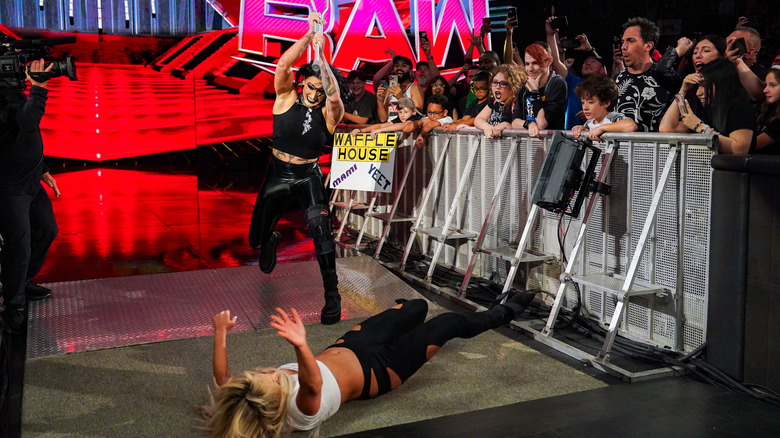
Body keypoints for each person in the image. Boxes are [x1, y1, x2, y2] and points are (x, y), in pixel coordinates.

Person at [201, 291, 536, 437]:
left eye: (263, 373)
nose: (271, 372)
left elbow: (223, 380)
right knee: (446, 325)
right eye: (272, 379)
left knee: (416, 307)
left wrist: (220, 334)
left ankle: (408, 314)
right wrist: (301, 345)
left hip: (352, 345)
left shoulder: (252, 394)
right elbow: (313, 382)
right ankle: (502, 313)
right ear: (274, 403)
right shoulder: (300, 413)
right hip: (382, 370)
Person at [248, 13, 347, 325]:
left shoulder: (331, 111)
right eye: (311, 86)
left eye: (319, 89)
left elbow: (333, 96)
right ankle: (269, 241)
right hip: (278, 173)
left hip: (308, 176)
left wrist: (321, 55)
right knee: (254, 239)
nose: (314, 94)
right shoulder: (285, 96)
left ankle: (332, 296)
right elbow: (281, 67)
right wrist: (307, 36)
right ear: (303, 82)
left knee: (321, 233)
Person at [0, 59, 59, 334]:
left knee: (47, 230)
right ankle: (14, 305)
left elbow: (22, 135)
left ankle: (21, 281)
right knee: (18, 246)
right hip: (9, 185)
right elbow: (27, 120)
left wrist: (43, 169)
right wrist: (39, 88)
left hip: (30, 178)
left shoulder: (11, 88)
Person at [659, 58, 754, 154]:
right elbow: (667, 128)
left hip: (732, 168)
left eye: (704, 85)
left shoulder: (740, 107)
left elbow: (740, 149)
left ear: (721, 84)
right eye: (698, 86)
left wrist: (699, 126)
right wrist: (682, 91)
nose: (698, 93)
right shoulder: (704, 108)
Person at [613, 17, 674, 132]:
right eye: (623, 41)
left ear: (648, 46)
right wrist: (585, 127)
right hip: (617, 150)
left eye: (630, 41)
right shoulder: (614, 81)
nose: (623, 47)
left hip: (655, 149)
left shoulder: (668, 81)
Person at [510, 43, 568, 138]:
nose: (530, 69)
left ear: (549, 62)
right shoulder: (525, 85)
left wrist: (534, 93)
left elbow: (542, 123)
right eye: (527, 64)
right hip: (528, 144)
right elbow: (515, 122)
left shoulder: (557, 83)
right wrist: (529, 124)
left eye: (535, 63)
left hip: (550, 144)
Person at [570, 74, 638, 141]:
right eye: (583, 102)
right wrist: (580, 129)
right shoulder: (588, 123)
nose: (585, 107)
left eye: (591, 102)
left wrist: (602, 128)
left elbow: (631, 125)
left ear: (606, 103)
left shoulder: (612, 117)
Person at [474, 64, 527, 139]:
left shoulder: (516, 103)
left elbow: (523, 127)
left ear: (512, 87)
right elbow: (478, 119)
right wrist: (486, 127)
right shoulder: (494, 102)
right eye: (495, 82)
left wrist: (507, 126)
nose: (497, 87)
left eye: (503, 84)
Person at [375, 54, 424, 123]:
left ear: (410, 71)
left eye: (404, 66)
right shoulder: (390, 89)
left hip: (405, 129)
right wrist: (379, 101)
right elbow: (383, 118)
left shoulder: (414, 87)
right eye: (396, 66)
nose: (399, 68)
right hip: (390, 128)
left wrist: (400, 97)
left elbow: (418, 113)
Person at [349, 98, 423, 137]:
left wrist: (381, 130)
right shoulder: (400, 119)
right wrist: (361, 131)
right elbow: (381, 125)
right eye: (400, 112)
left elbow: (404, 125)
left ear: (413, 112)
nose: (402, 115)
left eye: (406, 112)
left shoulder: (414, 118)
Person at [752, 67, 780, 154]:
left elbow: (752, 146)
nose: (765, 90)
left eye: (772, 85)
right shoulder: (768, 110)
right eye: (766, 85)